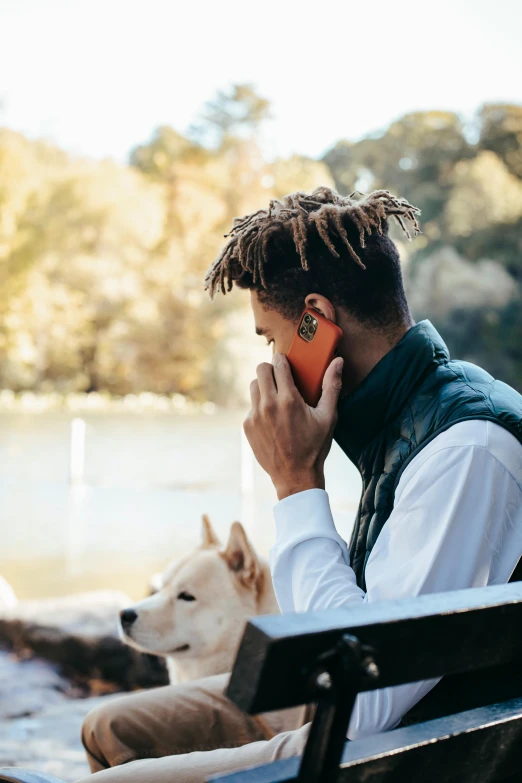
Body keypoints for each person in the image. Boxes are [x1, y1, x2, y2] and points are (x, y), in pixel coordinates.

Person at [78, 187, 522, 783]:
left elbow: (367, 705)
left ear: (318, 319)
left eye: (270, 338)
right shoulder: (420, 410)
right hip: (378, 713)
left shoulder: (466, 452)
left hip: (391, 749)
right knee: (114, 727)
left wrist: (296, 483)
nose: (269, 364)